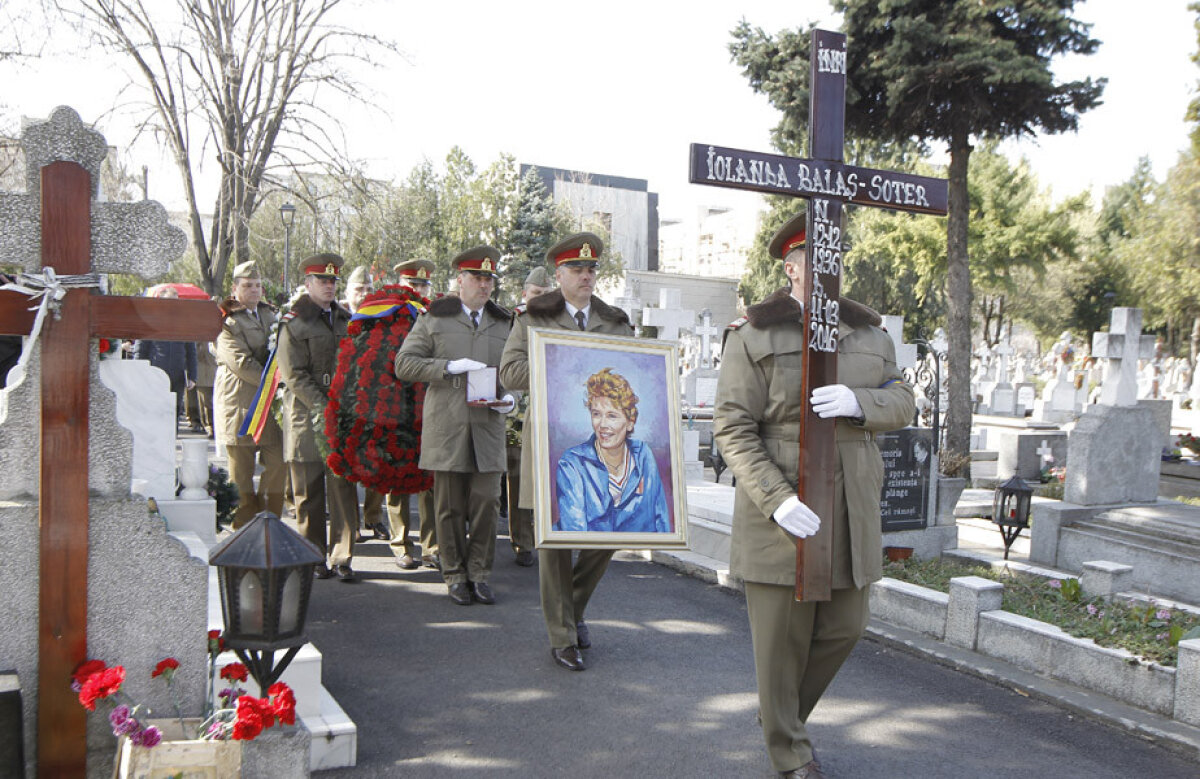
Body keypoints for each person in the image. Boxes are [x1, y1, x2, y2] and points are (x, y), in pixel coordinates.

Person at [713, 212, 914, 779]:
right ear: (792, 268)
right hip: (783, 501)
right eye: (815, 261)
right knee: (781, 640)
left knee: (845, 627)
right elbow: (732, 427)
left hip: (850, 502)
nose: (828, 271)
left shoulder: (871, 335)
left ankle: (780, 718)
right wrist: (775, 498)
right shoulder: (754, 334)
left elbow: (904, 402)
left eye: (836, 260)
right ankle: (789, 752)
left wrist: (860, 403)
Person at [500, 231, 634, 672]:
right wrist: (560, 361)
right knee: (555, 540)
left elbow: (635, 370)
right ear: (559, 275)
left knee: (608, 531)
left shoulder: (615, 321)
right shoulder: (532, 318)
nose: (586, 275)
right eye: (576, 269)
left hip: (604, 442)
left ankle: (572, 607)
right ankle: (562, 634)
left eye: (591, 268)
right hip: (554, 441)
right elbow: (511, 372)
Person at [395, 247, 515, 605]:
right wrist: (447, 367)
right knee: (447, 508)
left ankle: (479, 573)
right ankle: (454, 574)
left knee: (486, 504)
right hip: (448, 427)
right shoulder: (434, 318)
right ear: (459, 281)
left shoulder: (504, 322)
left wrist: (511, 399)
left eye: (489, 279)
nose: (484, 285)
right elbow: (405, 364)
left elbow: (515, 372)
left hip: (487, 426)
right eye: (477, 278)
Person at [277, 253, 360, 583]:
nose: (329, 286)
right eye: (322, 281)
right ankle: (312, 556)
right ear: (308, 284)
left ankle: (343, 556)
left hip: (343, 413)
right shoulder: (294, 322)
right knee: (308, 492)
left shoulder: (346, 319)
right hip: (306, 414)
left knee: (343, 488)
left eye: (332, 281)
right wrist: (326, 406)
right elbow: (294, 374)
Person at [214, 261, 287, 529]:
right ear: (234, 289)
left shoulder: (272, 316)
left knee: (278, 467)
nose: (254, 290)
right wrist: (279, 382)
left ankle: (270, 526)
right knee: (241, 478)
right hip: (240, 407)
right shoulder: (225, 321)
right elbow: (241, 364)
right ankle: (243, 532)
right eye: (247, 285)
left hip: (270, 409)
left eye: (257, 285)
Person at [555, 367, 668, 533]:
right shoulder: (572, 463)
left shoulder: (643, 455)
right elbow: (574, 530)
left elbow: (659, 518)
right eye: (596, 414)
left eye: (612, 416)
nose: (602, 425)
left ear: (630, 422)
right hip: (584, 553)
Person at [388, 258, 439, 570]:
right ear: (401, 285)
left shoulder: (435, 316)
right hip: (394, 407)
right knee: (397, 478)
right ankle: (400, 543)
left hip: (428, 406)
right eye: (413, 284)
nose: (419, 290)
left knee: (430, 478)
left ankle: (432, 546)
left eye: (423, 285)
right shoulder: (385, 316)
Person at [504, 266, 554, 566]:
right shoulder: (514, 319)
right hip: (513, 411)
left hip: (542, 409)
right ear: (524, 293)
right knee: (517, 478)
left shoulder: (555, 321)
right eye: (536, 293)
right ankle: (521, 541)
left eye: (546, 294)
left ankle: (544, 536)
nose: (541, 299)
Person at [340, 265, 391, 543]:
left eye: (369, 289)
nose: (364, 294)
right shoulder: (338, 319)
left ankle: (374, 517)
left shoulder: (381, 319)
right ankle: (352, 523)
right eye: (359, 289)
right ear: (347, 293)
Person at [133, 286, 198, 430]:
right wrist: (139, 373)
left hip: (177, 376)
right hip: (155, 375)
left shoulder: (184, 323)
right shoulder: (149, 321)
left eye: (175, 302)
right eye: (168, 301)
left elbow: (191, 351)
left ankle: (171, 445)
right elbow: (140, 349)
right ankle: (155, 445)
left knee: (174, 411)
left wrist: (193, 376)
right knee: (155, 410)